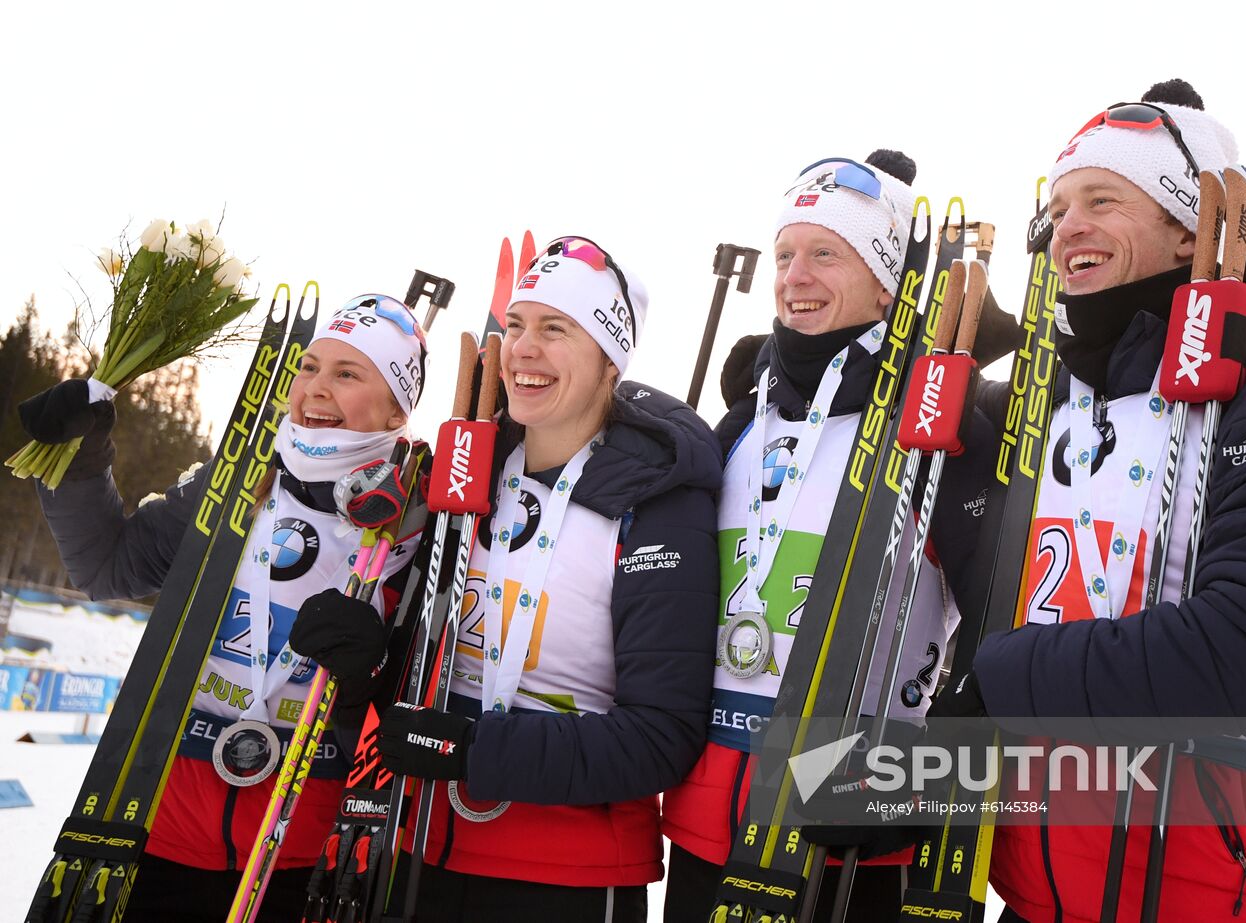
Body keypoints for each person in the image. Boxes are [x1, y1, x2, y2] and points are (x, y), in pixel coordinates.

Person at [930, 80, 1246, 923]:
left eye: (1102, 200)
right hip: (1040, 883)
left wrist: (993, 681)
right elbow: (995, 589)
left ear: (1192, 230)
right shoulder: (1064, 405)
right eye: (1060, 206)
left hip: (1210, 886)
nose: (1065, 227)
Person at [337, 236, 722, 922]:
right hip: (420, 850)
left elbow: (663, 734)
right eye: (515, 325)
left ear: (610, 358)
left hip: (568, 879)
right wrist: (366, 655)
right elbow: (419, 665)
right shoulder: (470, 470)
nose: (522, 348)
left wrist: (478, 748)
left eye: (555, 328)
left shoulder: (662, 503)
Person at [20, 293, 431, 921]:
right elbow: (106, 567)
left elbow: (417, 703)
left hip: (299, 859)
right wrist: (81, 455)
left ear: (397, 407)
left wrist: (365, 680)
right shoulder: (232, 487)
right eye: (310, 367)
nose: (317, 389)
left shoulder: (418, 529)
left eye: (348, 374)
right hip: (155, 830)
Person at [660, 151, 989, 921]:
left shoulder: (939, 433)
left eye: (824, 254)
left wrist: (914, 779)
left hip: (850, 833)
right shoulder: (741, 424)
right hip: (713, 823)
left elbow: (994, 644)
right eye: (784, 255)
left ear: (885, 282)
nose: (794, 276)